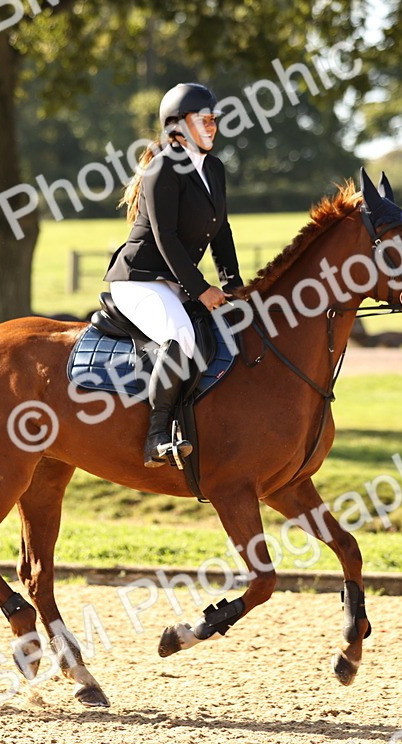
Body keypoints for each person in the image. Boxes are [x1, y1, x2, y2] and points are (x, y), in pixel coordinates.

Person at [105, 82, 244, 468]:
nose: (213, 127)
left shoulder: (213, 169)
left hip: (174, 282)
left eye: (214, 120)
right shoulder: (161, 169)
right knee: (181, 337)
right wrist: (200, 290)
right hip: (140, 280)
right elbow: (165, 239)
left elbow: (223, 231)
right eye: (205, 120)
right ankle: (157, 436)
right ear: (178, 126)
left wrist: (233, 284)